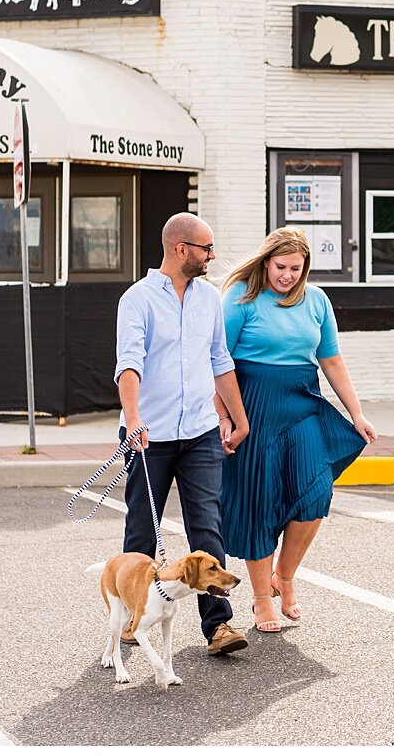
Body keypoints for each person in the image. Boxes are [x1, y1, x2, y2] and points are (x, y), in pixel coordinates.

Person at [215, 227, 376, 633]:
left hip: (302, 401)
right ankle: (261, 600)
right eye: (280, 266)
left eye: (295, 268)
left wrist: (356, 413)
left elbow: (332, 359)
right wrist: (226, 416)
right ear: (266, 261)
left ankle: (284, 576)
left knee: (315, 492)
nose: (286, 275)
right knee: (259, 501)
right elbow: (216, 360)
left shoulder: (317, 300)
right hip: (252, 404)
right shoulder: (241, 297)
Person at [114, 212, 252, 656]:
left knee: (207, 527)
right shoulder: (137, 299)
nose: (212, 256)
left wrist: (238, 416)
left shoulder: (210, 298)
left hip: (199, 432)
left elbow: (220, 360)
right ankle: (134, 620)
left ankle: (218, 627)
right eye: (205, 248)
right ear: (180, 249)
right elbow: (128, 363)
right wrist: (132, 418)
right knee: (141, 530)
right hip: (147, 434)